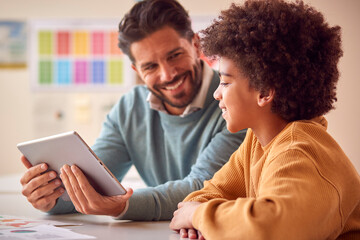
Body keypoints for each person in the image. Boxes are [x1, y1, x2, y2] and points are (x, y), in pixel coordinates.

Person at [19, 0, 246, 221]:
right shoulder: (130, 109)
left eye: (174, 55)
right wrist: (51, 197)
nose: (167, 75)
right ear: (136, 69)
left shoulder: (233, 99)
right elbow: (94, 182)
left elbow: (204, 188)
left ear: (196, 45)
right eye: (150, 66)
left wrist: (123, 205)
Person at [169, 0, 360, 239]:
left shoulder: (300, 151)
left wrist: (198, 216)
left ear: (264, 93)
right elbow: (205, 195)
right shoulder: (258, 142)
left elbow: (268, 227)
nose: (217, 93)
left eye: (226, 82)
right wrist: (196, 214)